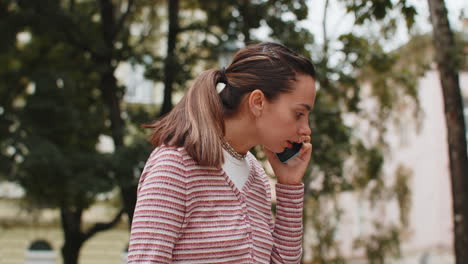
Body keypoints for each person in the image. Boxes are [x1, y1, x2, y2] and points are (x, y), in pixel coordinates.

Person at [127, 42, 317, 264]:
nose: (306, 130)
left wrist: (289, 186)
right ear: (257, 102)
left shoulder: (257, 178)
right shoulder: (175, 167)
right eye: (299, 114)